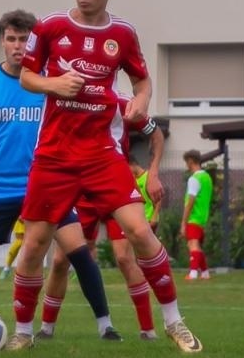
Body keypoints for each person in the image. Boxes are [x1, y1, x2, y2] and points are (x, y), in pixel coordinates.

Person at [9, 0, 200, 352]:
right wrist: (53, 84)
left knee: (138, 231)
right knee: (35, 245)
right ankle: (22, 333)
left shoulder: (122, 34)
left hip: (101, 154)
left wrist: (141, 102)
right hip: (55, 155)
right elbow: (26, 77)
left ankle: (175, 322)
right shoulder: (51, 27)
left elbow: (142, 81)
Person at [0, 9, 111, 333]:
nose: (17, 46)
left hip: (46, 184)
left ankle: (106, 326)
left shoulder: (49, 82)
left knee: (79, 251)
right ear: (3, 42)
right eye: (11, 39)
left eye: (24, 39)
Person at [38, 101, 167, 340]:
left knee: (125, 258)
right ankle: (46, 328)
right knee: (59, 260)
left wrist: (154, 171)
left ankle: (148, 330)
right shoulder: (68, 98)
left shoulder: (122, 102)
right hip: (81, 192)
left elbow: (156, 133)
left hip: (114, 186)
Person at [182, 150, 215, 279]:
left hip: (194, 217)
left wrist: (183, 221)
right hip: (203, 217)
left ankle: (193, 273)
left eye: (186, 162)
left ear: (191, 161)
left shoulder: (194, 178)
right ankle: (205, 273)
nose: (186, 165)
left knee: (193, 244)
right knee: (195, 245)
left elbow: (191, 201)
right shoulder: (207, 177)